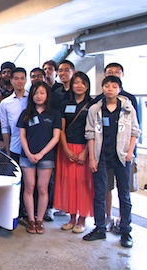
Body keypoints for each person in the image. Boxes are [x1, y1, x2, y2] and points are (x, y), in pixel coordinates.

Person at [83, 76, 140, 248]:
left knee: (124, 195)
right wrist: (92, 157)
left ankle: (125, 231)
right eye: (107, 86)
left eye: (114, 86)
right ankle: (100, 228)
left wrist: (130, 153)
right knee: (99, 193)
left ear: (119, 89)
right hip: (101, 157)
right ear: (102, 88)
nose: (110, 89)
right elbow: (90, 134)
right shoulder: (95, 109)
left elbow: (135, 132)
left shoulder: (128, 108)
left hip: (122, 157)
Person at [17, 81, 61, 234]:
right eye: (36, 93)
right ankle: (30, 219)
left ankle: (40, 220)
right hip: (27, 156)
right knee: (29, 187)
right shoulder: (26, 113)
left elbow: (56, 137)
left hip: (46, 157)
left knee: (43, 188)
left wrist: (41, 154)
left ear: (47, 95)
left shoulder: (54, 114)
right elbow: (22, 135)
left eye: (42, 93)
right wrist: (29, 153)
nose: (39, 96)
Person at [54, 72, 94, 234]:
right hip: (67, 149)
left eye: (82, 83)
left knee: (83, 184)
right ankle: (71, 218)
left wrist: (85, 152)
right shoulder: (65, 103)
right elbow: (61, 129)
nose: (79, 85)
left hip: (85, 149)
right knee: (68, 182)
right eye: (76, 82)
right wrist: (65, 148)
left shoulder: (92, 104)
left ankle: (82, 219)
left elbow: (94, 131)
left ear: (87, 85)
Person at [0, 67, 29, 219]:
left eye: (22, 78)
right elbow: (5, 127)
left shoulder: (32, 99)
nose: (19, 81)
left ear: (26, 80)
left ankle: (29, 211)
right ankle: (16, 211)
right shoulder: (5, 103)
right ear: (11, 80)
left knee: (31, 183)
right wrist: (8, 148)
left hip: (32, 146)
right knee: (18, 180)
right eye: (16, 78)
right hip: (15, 147)